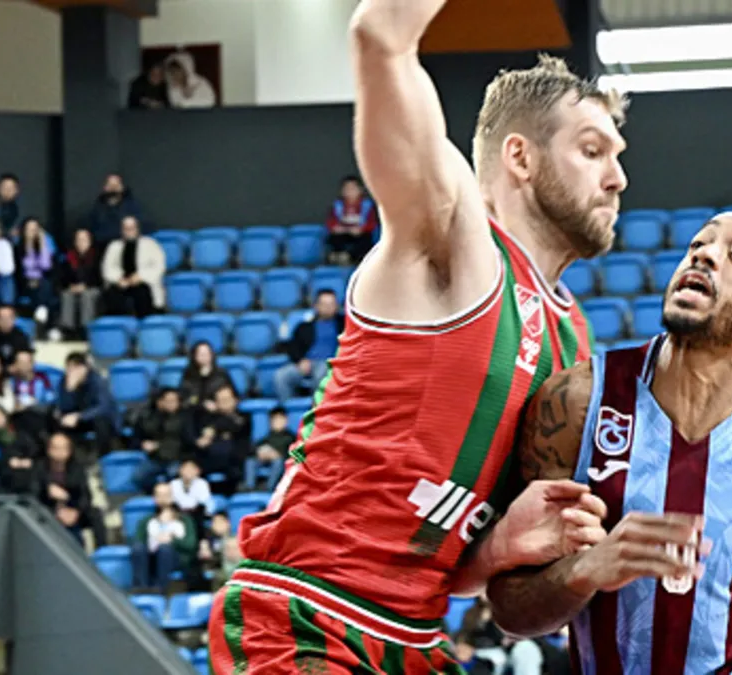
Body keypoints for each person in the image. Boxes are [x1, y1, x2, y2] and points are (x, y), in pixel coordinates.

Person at [208, 1, 626, 670]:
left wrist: (499, 548)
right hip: (309, 614)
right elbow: (380, 36)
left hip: (416, 638)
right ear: (519, 157)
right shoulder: (455, 236)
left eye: (617, 156)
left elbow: (453, 562)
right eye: (592, 150)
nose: (617, 178)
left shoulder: (573, 337)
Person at [485, 212, 732, 672]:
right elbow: (510, 609)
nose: (705, 255)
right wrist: (583, 572)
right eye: (698, 245)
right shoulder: (577, 402)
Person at [272, 290, 344, 401]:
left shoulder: (344, 325)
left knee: (321, 373)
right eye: (324, 304)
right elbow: (293, 347)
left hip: (331, 363)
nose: (328, 308)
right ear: (316, 306)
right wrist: (300, 360)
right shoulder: (304, 327)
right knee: (281, 376)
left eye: (332, 304)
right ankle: (288, 407)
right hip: (308, 363)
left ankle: (316, 408)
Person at [101, 216, 165, 317]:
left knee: (142, 293)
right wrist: (118, 279)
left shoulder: (151, 244)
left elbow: (159, 267)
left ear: (137, 229)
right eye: (126, 228)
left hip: (142, 283)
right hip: (122, 283)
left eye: (132, 228)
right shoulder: (114, 246)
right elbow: (107, 267)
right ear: (122, 230)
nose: (129, 231)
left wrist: (140, 276)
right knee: (112, 294)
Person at [57, 228, 102, 339]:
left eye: (84, 240)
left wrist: (85, 286)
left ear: (90, 241)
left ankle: (85, 328)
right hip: (73, 288)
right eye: (79, 240)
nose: (81, 243)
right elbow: (63, 277)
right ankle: (68, 329)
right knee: (66, 295)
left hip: (92, 287)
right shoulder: (69, 257)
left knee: (87, 295)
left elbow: (99, 277)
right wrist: (70, 286)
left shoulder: (97, 256)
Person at [326, 176, 379, 264]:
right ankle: (337, 255)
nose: (350, 192)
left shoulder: (367, 205)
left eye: (353, 189)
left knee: (365, 241)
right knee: (334, 239)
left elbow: (372, 224)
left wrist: (362, 229)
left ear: (360, 190)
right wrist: (337, 228)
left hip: (360, 233)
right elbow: (331, 223)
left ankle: (348, 257)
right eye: (347, 189)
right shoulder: (337, 205)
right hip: (343, 232)